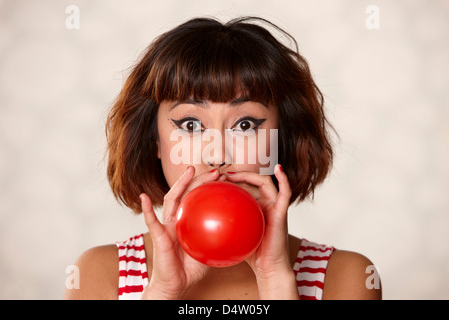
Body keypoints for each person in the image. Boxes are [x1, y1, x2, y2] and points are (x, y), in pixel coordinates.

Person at [64, 16, 382, 300]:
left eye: (245, 125)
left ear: (281, 140)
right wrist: (163, 293)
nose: (217, 154)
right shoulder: (98, 275)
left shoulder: (347, 278)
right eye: (190, 125)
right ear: (155, 141)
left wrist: (275, 282)